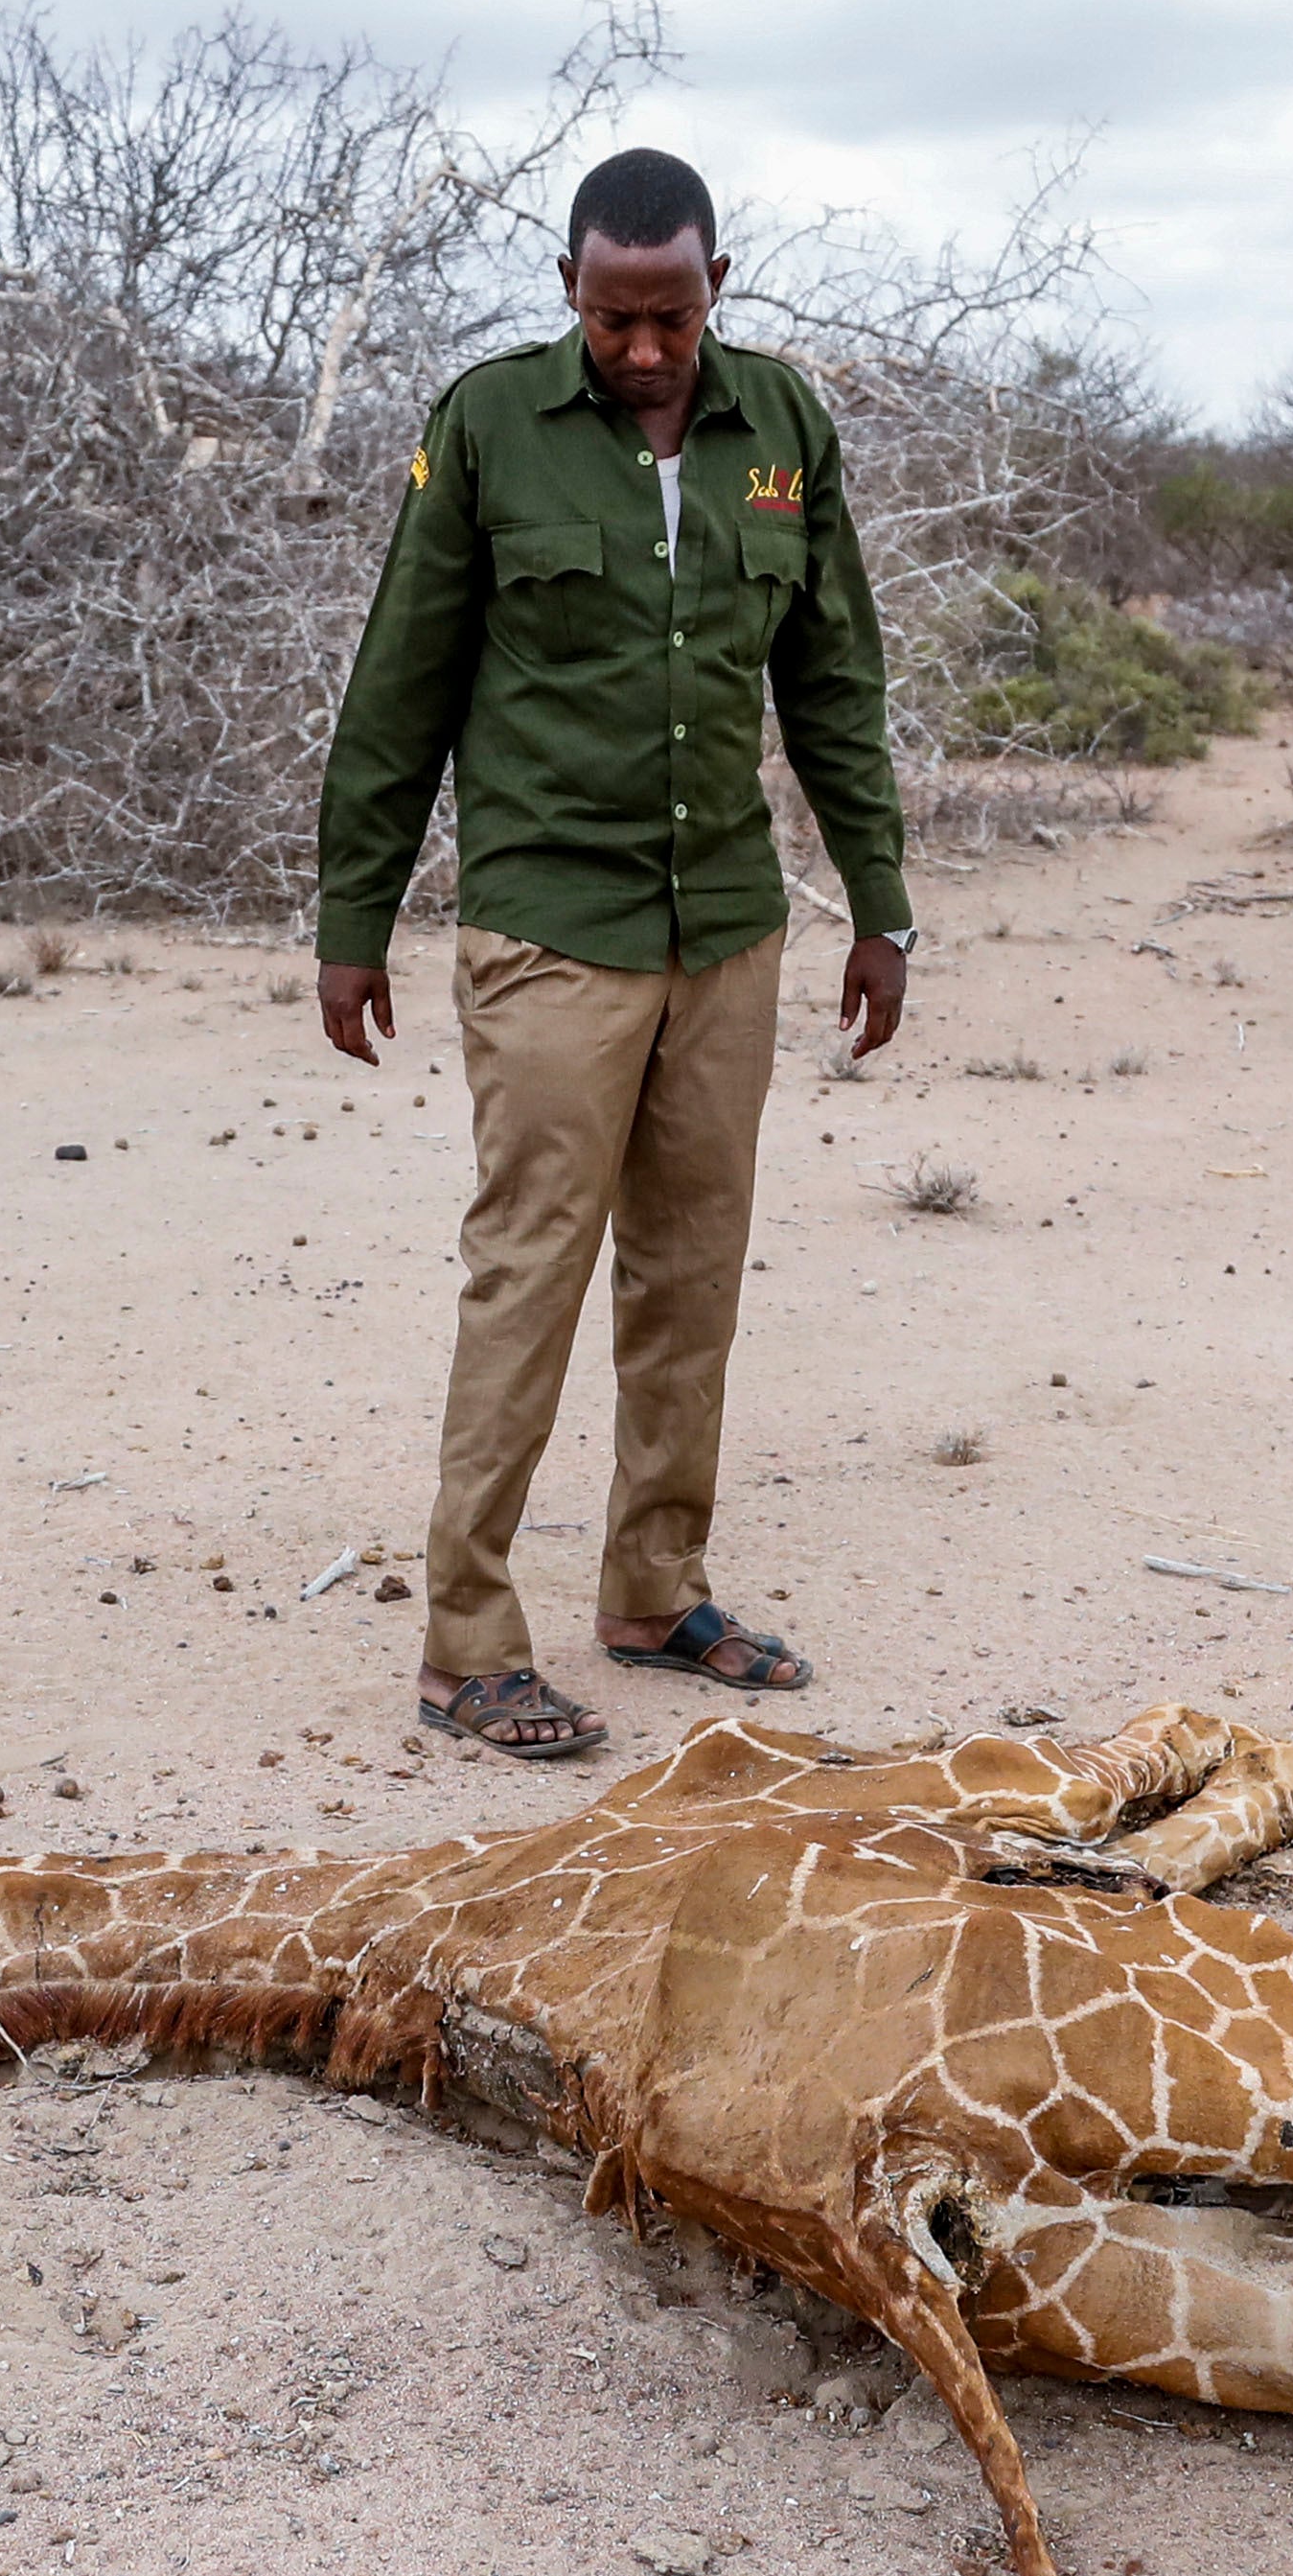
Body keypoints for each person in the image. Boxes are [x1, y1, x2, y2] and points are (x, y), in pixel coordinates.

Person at [312, 145, 913, 1759]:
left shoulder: (783, 428)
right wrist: (350, 921)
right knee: (530, 1271)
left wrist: (883, 898)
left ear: (720, 285)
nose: (642, 347)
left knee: (692, 1270)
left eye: (670, 313)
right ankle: (465, 1639)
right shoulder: (490, 424)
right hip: (550, 930)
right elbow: (400, 689)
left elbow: (834, 684)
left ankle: (656, 1589)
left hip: (723, 923)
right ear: (568, 291)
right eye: (611, 314)